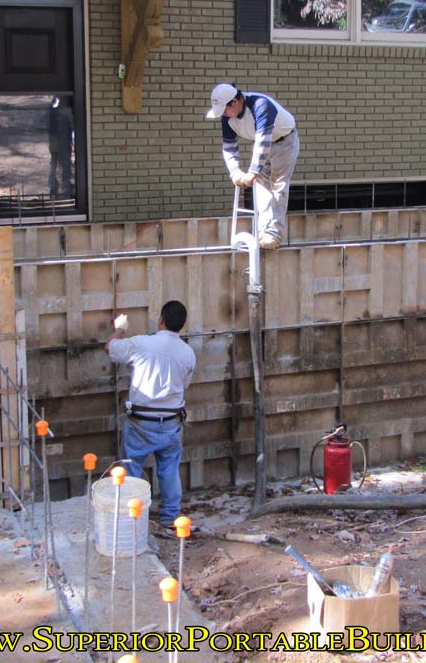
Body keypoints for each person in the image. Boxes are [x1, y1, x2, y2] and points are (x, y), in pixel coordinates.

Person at [106, 300, 196, 527]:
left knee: (132, 467)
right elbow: (185, 384)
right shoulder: (188, 353)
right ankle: (169, 516)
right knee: (169, 469)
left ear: (161, 320)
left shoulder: (141, 344)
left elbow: (111, 348)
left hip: (140, 421)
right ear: (181, 325)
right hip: (171, 423)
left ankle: (134, 519)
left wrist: (119, 328)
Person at [206, 83, 299, 249]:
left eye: (225, 110)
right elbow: (229, 146)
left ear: (234, 102)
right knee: (262, 188)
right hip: (262, 143)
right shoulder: (227, 117)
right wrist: (234, 172)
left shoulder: (261, 105)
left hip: (285, 142)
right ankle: (263, 231)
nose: (225, 115)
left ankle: (273, 234)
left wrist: (252, 172)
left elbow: (263, 143)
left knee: (278, 185)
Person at [47, 96, 74, 199]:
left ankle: (54, 188)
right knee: (65, 165)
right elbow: (74, 128)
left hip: (54, 142)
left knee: (54, 164)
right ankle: (65, 188)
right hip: (63, 142)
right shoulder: (67, 113)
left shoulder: (52, 111)